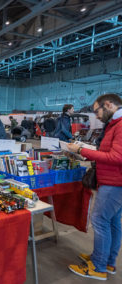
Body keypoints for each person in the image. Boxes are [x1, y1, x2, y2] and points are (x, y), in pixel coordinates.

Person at [67, 94, 122, 281]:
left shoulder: (120, 125)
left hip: (114, 183)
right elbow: (110, 153)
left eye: (97, 111)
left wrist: (82, 150)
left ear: (109, 105)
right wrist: (89, 152)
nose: (96, 116)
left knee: (100, 222)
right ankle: (107, 262)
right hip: (113, 181)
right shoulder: (115, 124)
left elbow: (117, 158)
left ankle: (98, 267)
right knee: (113, 223)